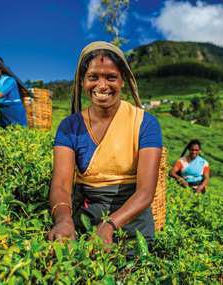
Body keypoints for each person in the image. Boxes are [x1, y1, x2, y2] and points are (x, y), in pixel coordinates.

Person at [47, 41, 162, 247]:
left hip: (132, 219)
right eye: (93, 77)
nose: (102, 86)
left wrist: (110, 225)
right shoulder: (69, 127)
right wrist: (64, 220)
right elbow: (61, 185)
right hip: (86, 216)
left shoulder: (145, 123)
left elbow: (145, 192)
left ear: (122, 81)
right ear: (82, 81)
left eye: (111, 77)